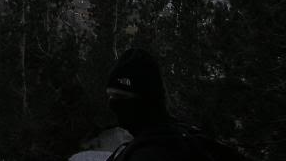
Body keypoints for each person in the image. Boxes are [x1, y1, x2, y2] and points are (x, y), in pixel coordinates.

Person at [105, 49, 245, 161]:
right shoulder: (186, 136)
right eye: (110, 96)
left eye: (120, 97)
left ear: (146, 101)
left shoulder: (155, 151)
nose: (112, 104)